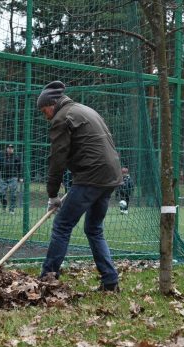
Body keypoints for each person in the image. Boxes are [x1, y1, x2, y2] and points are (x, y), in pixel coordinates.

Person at [37, 80, 123, 292]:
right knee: (93, 229)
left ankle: (47, 279)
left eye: (44, 109)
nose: (44, 115)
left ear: (52, 103)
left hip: (91, 176)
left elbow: (57, 159)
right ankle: (110, 282)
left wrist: (52, 195)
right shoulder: (84, 110)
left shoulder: (61, 118)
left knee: (62, 226)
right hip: (110, 175)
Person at [0, 144, 22, 214]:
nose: (10, 149)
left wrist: (21, 177)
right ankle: (4, 205)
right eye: (9, 148)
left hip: (13, 178)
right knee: (1, 193)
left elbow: (20, 168)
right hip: (3, 178)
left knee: (13, 194)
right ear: (6, 149)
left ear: (13, 149)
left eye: (11, 148)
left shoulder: (16, 157)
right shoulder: (2, 158)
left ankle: (12, 210)